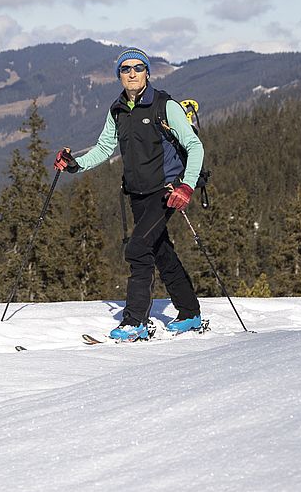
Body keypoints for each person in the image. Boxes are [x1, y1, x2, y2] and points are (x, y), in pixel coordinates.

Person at [54, 47, 204, 340]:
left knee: (137, 249)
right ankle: (190, 313)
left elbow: (194, 146)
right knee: (160, 251)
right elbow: (104, 148)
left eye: (138, 67)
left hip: (167, 191)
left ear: (148, 72)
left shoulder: (165, 105)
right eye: (126, 69)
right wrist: (75, 165)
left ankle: (135, 321)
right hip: (137, 193)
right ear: (119, 75)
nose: (132, 73)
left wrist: (187, 185)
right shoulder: (117, 109)